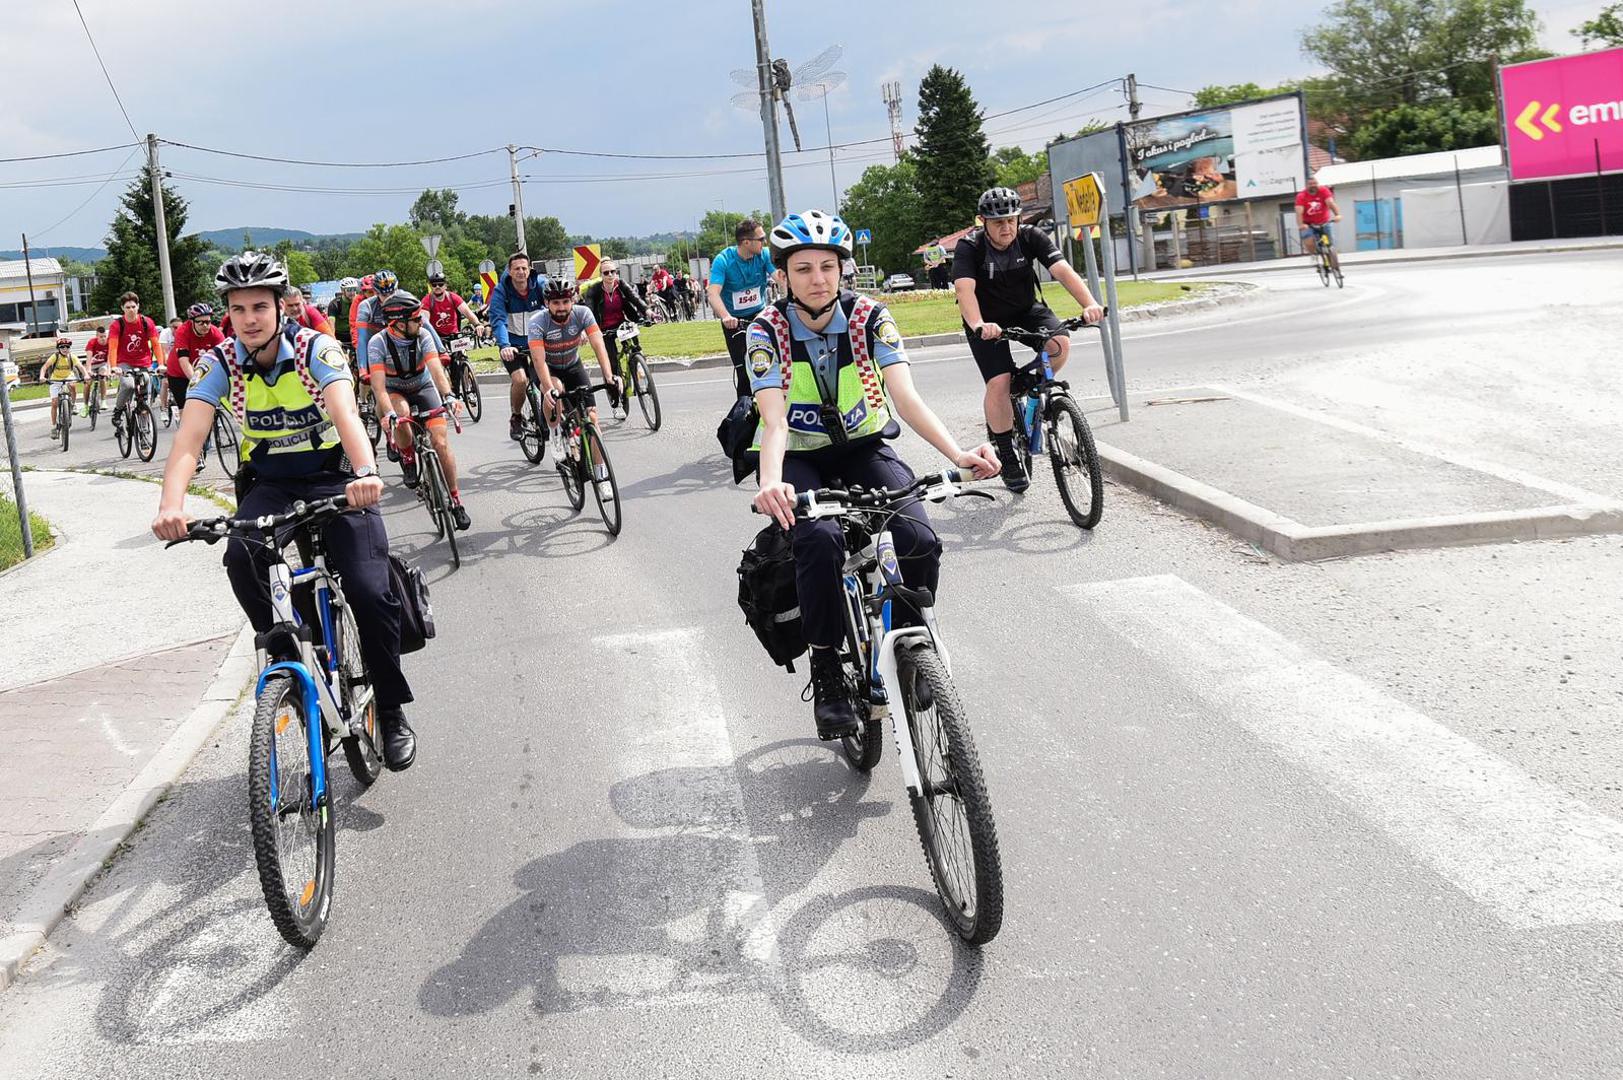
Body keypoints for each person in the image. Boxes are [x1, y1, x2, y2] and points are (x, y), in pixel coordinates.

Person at [150, 251, 418, 770]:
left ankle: (389, 708)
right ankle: (288, 650)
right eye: (238, 308)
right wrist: (170, 506)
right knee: (239, 556)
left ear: (279, 306)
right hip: (270, 483)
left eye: (259, 306)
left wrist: (365, 474)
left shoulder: (314, 348)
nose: (248, 318)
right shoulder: (219, 362)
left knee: (367, 588)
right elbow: (189, 439)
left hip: (335, 478)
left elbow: (344, 410)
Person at [748, 210, 1000, 740]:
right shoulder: (766, 329)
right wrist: (772, 482)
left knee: (918, 537)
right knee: (817, 539)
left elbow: (905, 397)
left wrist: (957, 454)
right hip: (799, 457)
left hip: (864, 448)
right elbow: (773, 421)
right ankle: (827, 671)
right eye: (803, 269)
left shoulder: (869, 317)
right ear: (784, 276)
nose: (817, 278)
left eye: (826, 266)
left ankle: (913, 643)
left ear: (843, 269)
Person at [951, 186, 1104, 493]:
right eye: (997, 222)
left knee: (1059, 344)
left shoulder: (1032, 237)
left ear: (1019, 219)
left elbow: (1063, 271)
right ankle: (1007, 455)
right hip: (986, 320)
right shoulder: (969, 247)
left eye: (1011, 220)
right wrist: (979, 324)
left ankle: (1026, 387)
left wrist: (1089, 304)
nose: (1006, 227)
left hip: (1025, 310)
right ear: (983, 222)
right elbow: (964, 290)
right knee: (998, 382)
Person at [366, 291, 471, 531]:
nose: (421, 321)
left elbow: (435, 369)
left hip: (423, 386)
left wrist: (449, 396)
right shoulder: (377, 343)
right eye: (416, 319)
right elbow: (378, 386)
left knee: (441, 443)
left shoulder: (422, 334)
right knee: (401, 414)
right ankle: (407, 456)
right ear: (399, 323)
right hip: (394, 390)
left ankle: (455, 500)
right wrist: (389, 414)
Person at [526, 277, 622, 432]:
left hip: (573, 365)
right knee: (555, 388)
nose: (561, 307)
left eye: (565, 301)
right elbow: (538, 359)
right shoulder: (537, 322)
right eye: (556, 303)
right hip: (547, 368)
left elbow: (598, 346)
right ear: (546, 303)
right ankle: (554, 432)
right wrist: (549, 388)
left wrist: (610, 377)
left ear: (572, 301)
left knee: (591, 419)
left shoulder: (583, 313)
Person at [707, 218, 776, 398]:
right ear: (746, 242)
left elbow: (781, 279)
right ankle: (745, 414)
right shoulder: (723, 260)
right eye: (761, 239)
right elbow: (713, 293)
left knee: (771, 365)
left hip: (759, 315)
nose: (764, 242)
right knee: (744, 373)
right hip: (734, 321)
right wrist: (725, 317)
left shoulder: (764, 255)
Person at [487, 251, 551, 441]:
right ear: (509, 271)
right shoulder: (501, 291)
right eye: (517, 269)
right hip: (513, 346)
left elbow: (553, 309)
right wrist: (505, 345)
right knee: (521, 380)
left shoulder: (540, 285)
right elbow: (498, 321)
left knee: (544, 380)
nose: (521, 272)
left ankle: (548, 415)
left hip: (536, 342)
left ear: (529, 269)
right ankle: (516, 416)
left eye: (524, 268)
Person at [168, 302, 225, 470]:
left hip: (203, 372)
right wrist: (195, 382)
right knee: (187, 416)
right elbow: (184, 361)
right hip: (179, 374)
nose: (206, 325)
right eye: (201, 322)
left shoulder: (214, 333)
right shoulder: (183, 331)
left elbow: (225, 358)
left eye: (208, 321)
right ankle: (195, 454)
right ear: (192, 321)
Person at [107, 291, 166, 433]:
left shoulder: (146, 322)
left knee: (145, 393)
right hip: (124, 362)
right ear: (122, 308)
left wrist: (161, 364)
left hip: (143, 362)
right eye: (127, 307)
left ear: (138, 306)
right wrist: (114, 367)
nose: (131, 310)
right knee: (128, 385)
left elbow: (156, 344)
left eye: (133, 306)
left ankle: (145, 429)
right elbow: (113, 347)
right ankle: (118, 410)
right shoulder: (117, 325)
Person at [581, 260, 647, 379]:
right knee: (612, 360)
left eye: (613, 271)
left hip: (621, 324)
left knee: (634, 346)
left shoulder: (621, 285)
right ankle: (616, 390)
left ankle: (638, 364)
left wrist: (648, 311)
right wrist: (586, 330)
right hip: (604, 329)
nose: (610, 275)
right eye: (606, 273)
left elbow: (635, 298)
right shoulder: (594, 290)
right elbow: (588, 311)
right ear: (601, 275)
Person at [40, 337, 87, 436]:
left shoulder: (72, 357)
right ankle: (53, 427)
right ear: (58, 348)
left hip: (68, 376)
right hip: (55, 379)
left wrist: (86, 375)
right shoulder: (55, 357)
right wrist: (42, 376)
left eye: (67, 347)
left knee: (73, 386)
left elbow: (81, 367)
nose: (65, 349)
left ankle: (73, 405)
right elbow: (44, 367)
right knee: (54, 403)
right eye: (62, 347)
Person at [1296, 175, 1342, 270]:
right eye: (1310, 184)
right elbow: (1299, 212)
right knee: (1309, 241)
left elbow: (1330, 203)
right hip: (1308, 224)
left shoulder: (1324, 191)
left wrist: (1337, 215)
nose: (1313, 185)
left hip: (1324, 222)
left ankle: (1336, 269)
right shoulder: (1301, 196)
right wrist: (1301, 224)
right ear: (1306, 186)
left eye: (1315, 183)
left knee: (1330, 246)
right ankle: (1314, 255)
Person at [420, 272, 481, 342]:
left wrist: (477, 324)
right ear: (431, 286)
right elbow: (425, 322)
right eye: (434, 285)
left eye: (440, 284)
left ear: (445, 286)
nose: (437, 287)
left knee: (461, 352)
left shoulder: (453, 297)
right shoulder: (427, 300)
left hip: (454, 336)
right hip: (436, 338)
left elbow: (467, 312)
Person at [156, 317, 184, 416]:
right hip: (167, 360)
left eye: (179, 327)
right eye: (174, 327)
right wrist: (167, 366)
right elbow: (164, 352)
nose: (177, 330)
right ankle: (163, 408)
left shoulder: (184, 333)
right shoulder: (165, 333)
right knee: (165, 382)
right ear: (170, 327)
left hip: (181, 360)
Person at [82, 325, 110, 416]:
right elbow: (89, 358)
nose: (103, 339)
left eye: (104, 336)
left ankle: (103, 401)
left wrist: (109, 370)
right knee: (87, 383)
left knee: (102, 376)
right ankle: (85, 406)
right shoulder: (92, 342)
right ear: (97, 336)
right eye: (101, 337)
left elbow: (109, 358)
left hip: (103, 364)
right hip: (93, 364)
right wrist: (88, 371)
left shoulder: (109, 342)